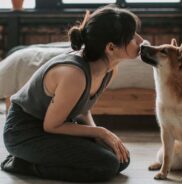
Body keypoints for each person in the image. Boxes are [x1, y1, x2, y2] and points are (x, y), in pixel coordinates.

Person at [1, 4, 143, 182]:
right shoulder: (74, 74)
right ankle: (21, 164)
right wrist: (100, 133)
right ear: (111, 47)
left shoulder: (109, 69)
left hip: (53, 127)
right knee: (106, 165)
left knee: (122, 159)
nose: (140, 40)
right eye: (132, 36)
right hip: (25, 133)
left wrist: (98, 136)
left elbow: (83, 109)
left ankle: (42, 159)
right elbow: (51, 126)